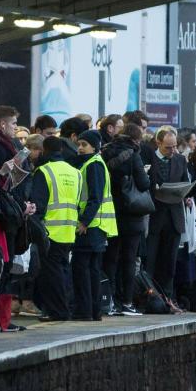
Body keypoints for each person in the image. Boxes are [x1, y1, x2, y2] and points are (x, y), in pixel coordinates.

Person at [30, 136, 81, 321]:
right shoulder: (75, 172)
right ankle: (66, 307)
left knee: (51, 274)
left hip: (50, 229)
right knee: (64, 270)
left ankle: (57, 311)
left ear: (44, 150)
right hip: (69, 228)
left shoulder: (44, 171)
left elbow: (39, 203)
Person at [101, 124, 149, 316]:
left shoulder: (105, 152)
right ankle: (126, 301)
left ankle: (109, 300)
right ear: (136, 140)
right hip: (131, 213)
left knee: (110, 258)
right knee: (129, 259)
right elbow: (144, 184)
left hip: (110, 211)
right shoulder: (133, 155)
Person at [70, 130, 116, 321]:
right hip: (97, 226)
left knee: (83, 270)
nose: (80, 148)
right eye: (79, 144)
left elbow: (95, 198)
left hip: (91, 227)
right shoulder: (94, 163)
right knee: (92, 270)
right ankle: (93, 311)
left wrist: (84, 221)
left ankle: (85, 311)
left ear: (95, 147)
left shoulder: (93, 165)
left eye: (84, 145)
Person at [144, 126, 190, 305]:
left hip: (174, 216)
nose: (172, 151)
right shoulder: (149, 159)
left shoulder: (180, 160)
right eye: (168, 147)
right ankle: (150, 298)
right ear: (158, 143)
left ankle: (168, 299)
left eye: (174, 146)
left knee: (170, 262)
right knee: (151, 260)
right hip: (155, 215)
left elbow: (186, 182)